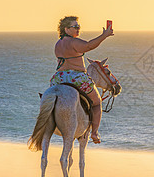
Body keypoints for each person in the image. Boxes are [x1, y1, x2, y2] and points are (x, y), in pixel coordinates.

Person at [49, 16, 114, 144]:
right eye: (75, 27)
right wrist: (104, 35)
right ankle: (94, 133)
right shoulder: (73, 42)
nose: (78, 29)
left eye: (79, 26)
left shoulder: (58, 44)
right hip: (76, 78)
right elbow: (89, 46)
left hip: (59, 78)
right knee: (96, 103)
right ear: (66, 29)